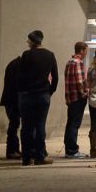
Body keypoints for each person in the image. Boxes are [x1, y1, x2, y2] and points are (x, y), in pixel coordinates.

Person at [17, 30, 57, 166]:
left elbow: (20, 75)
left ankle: (26, 158)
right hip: (42, 95)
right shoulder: (50, 55)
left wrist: (22, 90)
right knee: (40, 126)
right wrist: (49, 92)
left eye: (28, 40)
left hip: (27, 95)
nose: (27, 42)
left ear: (33, 41)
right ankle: (40, 156)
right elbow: (55, 77)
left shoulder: (26, 55)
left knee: (26, 127)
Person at [63, 41, 89, 159]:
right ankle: (72, 150)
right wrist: (84, 93)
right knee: (74, 124)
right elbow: (79, 81)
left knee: (70, 123)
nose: (86, 53)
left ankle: (69, 148)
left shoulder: (69, 62)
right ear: (82, 50)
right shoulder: (78, 62)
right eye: (86, 50)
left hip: (70, 97)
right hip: (77, 98)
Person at [0, 53, 22, 159]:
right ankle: (11, 150)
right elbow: (17, 85)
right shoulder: (18, 67)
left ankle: (14, 149)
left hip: (9, 99)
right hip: (13, 100)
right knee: (14, 124)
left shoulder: (13, 64)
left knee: (14, 124)